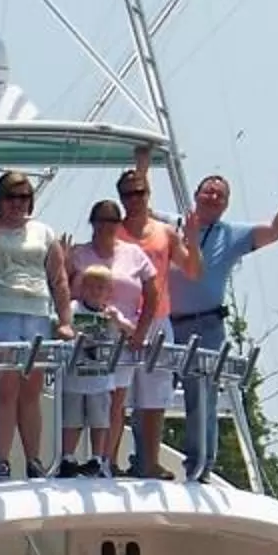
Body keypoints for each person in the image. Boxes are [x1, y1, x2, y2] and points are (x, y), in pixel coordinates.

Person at [169, 155, 278, 484]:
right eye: (208, 191)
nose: (213, 197)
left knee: (202, 395)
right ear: (196, 195)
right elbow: (136, 215)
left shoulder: (231, 234)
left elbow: (275, 230)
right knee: (151, 391)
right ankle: (143, 460)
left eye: (220, 194)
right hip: (165, 325)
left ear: (226, 204)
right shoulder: (171, 224)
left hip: (206, 326)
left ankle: (200, 466)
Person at [0, 169, 66, 481]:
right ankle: (2, 461)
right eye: (11, 196)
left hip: (36, 314)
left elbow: (59, 281)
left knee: (31, 391)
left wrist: (66, 321)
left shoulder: (44, 232)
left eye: (24, 197)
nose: (18, 202)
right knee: (5, 390)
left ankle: (34, 460)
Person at [62, 198, 158, 477]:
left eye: (113, 220)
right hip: (82, 340)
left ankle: (105, 460)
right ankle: (69, 458)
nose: (106, 226)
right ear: (92, 222)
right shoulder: (79, 253)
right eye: (101, 220)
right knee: (78, 398)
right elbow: (63, 289)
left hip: (119, 336)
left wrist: (139, 332)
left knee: (114, 401)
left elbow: (153, 294)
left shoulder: (134, 254)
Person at [113, 149, 180, 478]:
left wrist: (193, 237)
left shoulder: (165, 230)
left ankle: (148, 460)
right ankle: (108, 459)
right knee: (117, 391)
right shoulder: (113, 230)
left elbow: (190, 265)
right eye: (128, 194)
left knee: (154, 394)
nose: (134, 198)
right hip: (123, 318)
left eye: (139, 192)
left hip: (158, 317)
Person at [53, 259, 132, 477]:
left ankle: (97, 459)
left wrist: (119, 322)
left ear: (109, 291)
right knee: (72, 419)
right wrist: (71, 332)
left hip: (101, 380)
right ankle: (68, 457)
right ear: (82, 287)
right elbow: (61, 328)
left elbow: (130, 333)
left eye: (101, 287)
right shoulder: (73, 308)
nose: (95, 292)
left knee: (100, 420)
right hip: (74, 377)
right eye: (91, 286)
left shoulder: (112, 313)